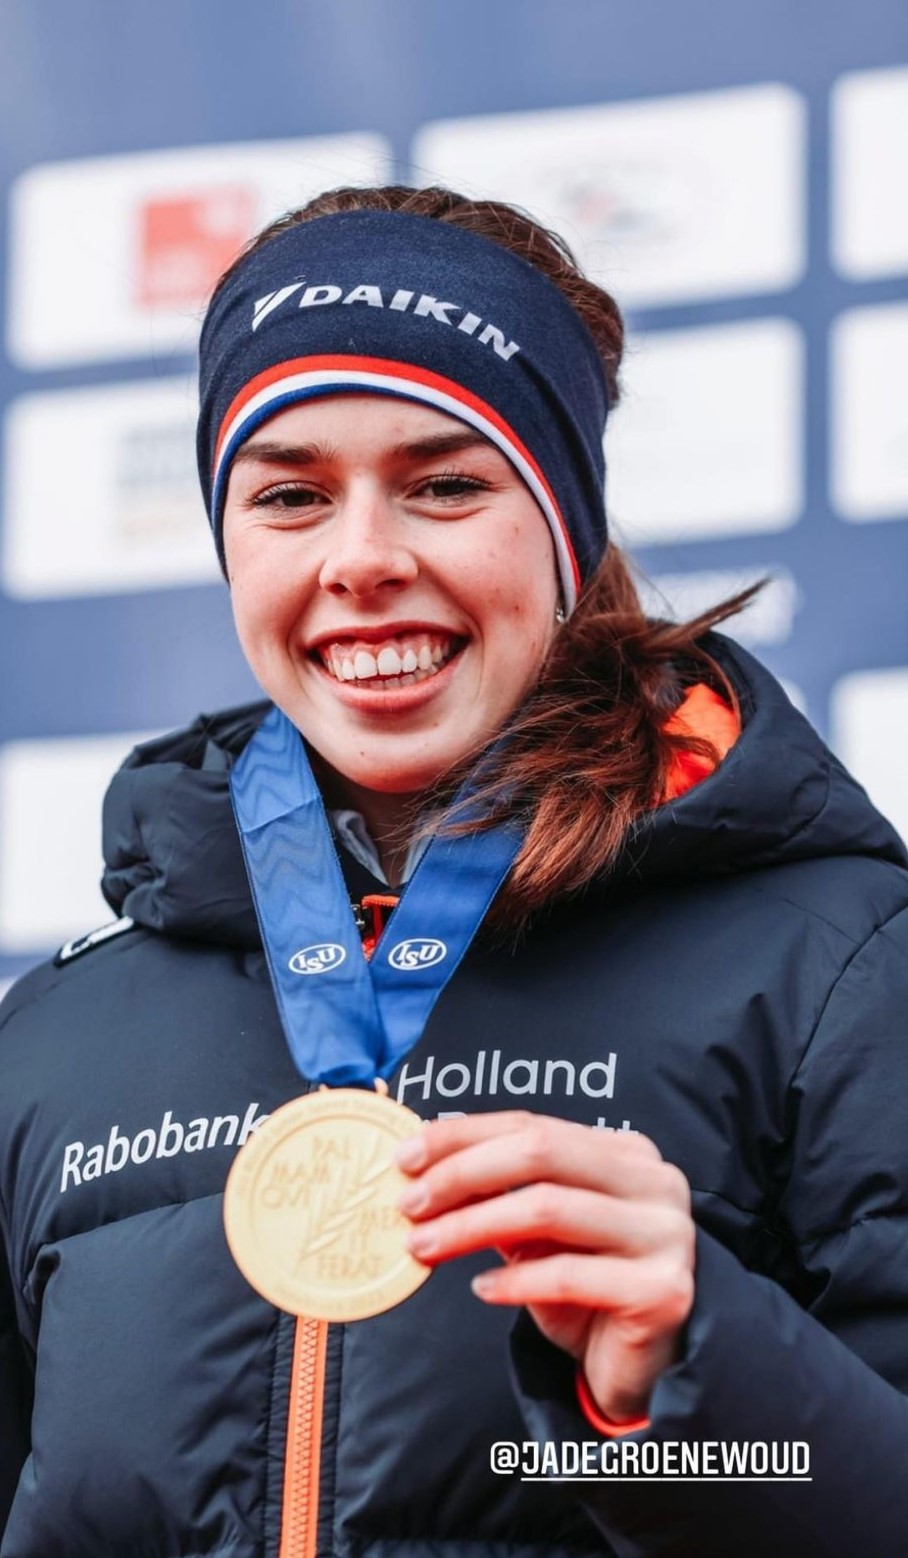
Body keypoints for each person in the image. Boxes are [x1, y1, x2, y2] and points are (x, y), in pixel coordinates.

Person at [1, 183, 907, 1558]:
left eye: (445, 483)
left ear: (564, 524)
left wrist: (684, 1384)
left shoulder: (837, 966)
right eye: (290, 494)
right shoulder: (56, 1039)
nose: (363, 558)